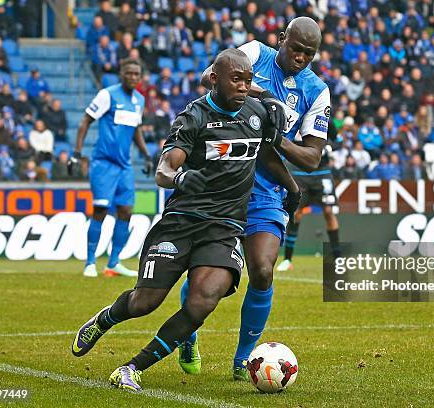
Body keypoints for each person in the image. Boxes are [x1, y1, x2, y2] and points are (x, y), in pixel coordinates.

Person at [70, 49, 298, 392]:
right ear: (215, 79)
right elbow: (165, 167)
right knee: (144, 303)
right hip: (181, 222)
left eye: (248, 81)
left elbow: (265, 154)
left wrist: (291, 187)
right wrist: (178, 178)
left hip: (224, 228)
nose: (243, 86)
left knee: (203, 300)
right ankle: (106, 318)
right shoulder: (193, 117)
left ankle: (132, 367)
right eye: (236, 79)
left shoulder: (256, 114)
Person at [182, 16, 330, 381]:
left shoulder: (317, 90)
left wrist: (273, 135)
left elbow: (312, 157)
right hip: (222, 180)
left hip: (267, 190)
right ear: (281, 39)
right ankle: (187, 330)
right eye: (295, 48)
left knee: (262, 271)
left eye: (308, 54)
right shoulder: (252, 54)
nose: (300, 57)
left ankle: (244, 357)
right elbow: (208, 77)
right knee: (204, 273)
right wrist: (264, 100)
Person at [68, 59, 152, 278]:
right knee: (101, 211)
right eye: (129, 73)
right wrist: (77, 153)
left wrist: (145, 156)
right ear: (121, 74)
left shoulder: (139, 101)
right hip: (104, 163)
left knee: (126, 211)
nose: (133, 77)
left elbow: (136, 130)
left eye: (137, 73)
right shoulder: (108, 95)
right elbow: (85, 121)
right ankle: (89, 262)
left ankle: (114, 262)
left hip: (125, 166)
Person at [277, 137, 340, 272]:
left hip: (322, 172)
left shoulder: (324, 118)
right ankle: (287, 260)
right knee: (296, 214)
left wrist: (330, 147)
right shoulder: (296, 117)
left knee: (329, 212)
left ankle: (337, 258)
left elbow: (338, 141)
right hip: (299, 171)